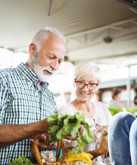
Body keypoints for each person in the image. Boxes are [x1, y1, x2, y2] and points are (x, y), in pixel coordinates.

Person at [0, 27, 66, 164]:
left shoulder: (49, 96)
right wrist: (38, 127)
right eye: (51, 57)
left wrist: (49, 142)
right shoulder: (4, 80)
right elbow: (39, 126)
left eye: (60, 61)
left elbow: (47, 139)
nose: (55, 66)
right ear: (32, 49)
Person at [58, 62, 112, 164]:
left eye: (91, 84)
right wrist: (99, 151)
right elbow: (67, 158)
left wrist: (111, 129)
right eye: (81, 82)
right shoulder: (65, 113)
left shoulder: (102, 109)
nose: (85, 88)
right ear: (74, 82)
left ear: (97, 86)